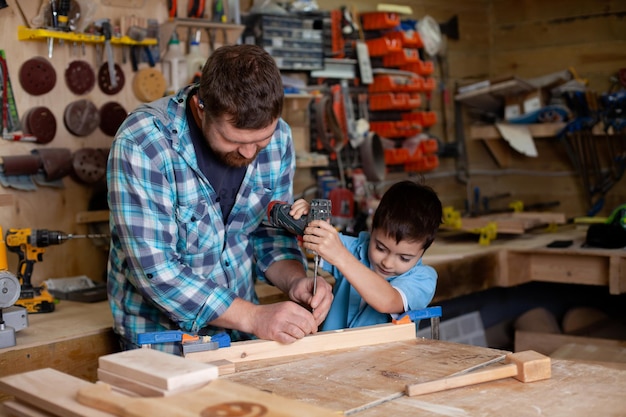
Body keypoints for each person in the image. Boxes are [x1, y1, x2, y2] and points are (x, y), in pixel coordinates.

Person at [106, 44, 333, 354]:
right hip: (163, 342)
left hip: (240, 339)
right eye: (234, 140)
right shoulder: (144, 142)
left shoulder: (279, 137)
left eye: (260, 142)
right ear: (201, 106)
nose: (249, 153)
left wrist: (294, 281)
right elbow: (157, 272)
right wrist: (253, 317)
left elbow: (270, 234)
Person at [290, 180, 442, 330]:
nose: (387, 263)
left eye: (404, 258)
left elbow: (388, 301)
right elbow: (311, 242)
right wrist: (310, 222)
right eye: (380, 248)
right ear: (373, 224)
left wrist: (341, 257)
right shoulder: (355, 248)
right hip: (333, 351)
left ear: (426, 247)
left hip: (384, 355)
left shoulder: (423, 279)